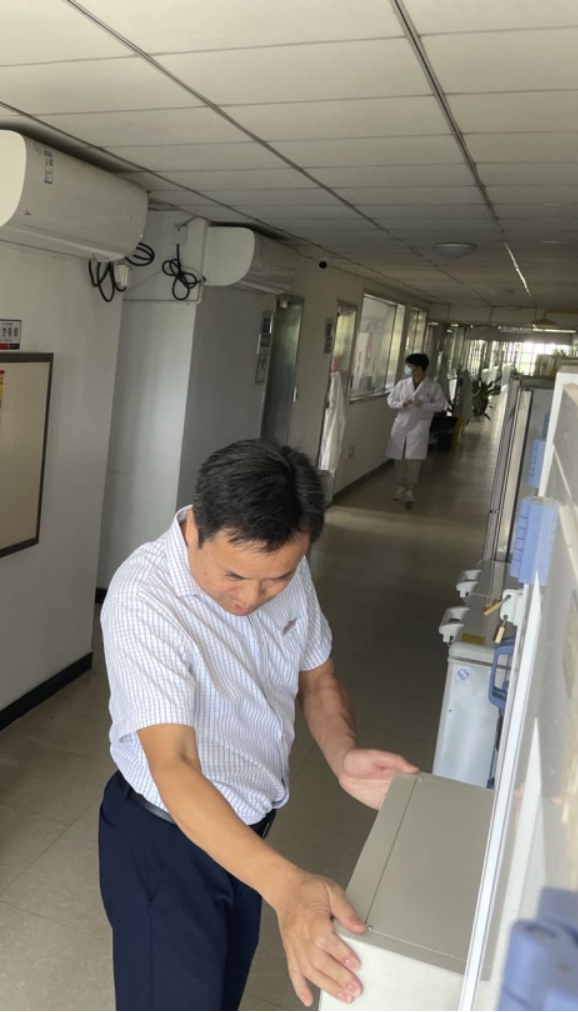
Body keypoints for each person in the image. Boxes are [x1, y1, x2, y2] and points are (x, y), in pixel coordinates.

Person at [99, 439, 417, 1011]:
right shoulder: (144, 598)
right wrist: (287, 888)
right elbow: (174, 765)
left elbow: (317, 677)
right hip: (166, 842)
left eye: (274, 580)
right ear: (196, 526)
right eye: (234, 575)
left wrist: (343, 755)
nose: (251, 597)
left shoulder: (282, 562)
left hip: (245, 839)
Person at [386, 353, 447, 506]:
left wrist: (423, 405)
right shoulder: (402, 384)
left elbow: (440, 405)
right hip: (401, 424)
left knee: (414, 459)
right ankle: (399, 487)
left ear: (419, 368)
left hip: (419, 425)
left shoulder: (433, 386)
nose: (407, 369)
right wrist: (403, 403)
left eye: (409, 366)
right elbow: (391, 401)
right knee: (399, 458)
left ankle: (410, 490)